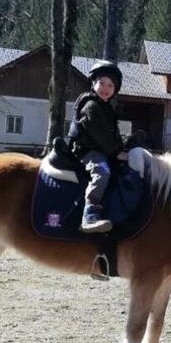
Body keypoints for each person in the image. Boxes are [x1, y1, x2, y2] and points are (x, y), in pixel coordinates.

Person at [69, 60, 128, 234]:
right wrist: (116, 152)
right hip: (88, 151)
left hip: (102, 150)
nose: (105, 88)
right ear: (93, 83)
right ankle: (90, 213)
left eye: (110, 85)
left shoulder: (107, 108)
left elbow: (112, 134)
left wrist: (124, 146)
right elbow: (100, 133)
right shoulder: (91, 106)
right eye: (101, 83)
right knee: (102, 172)